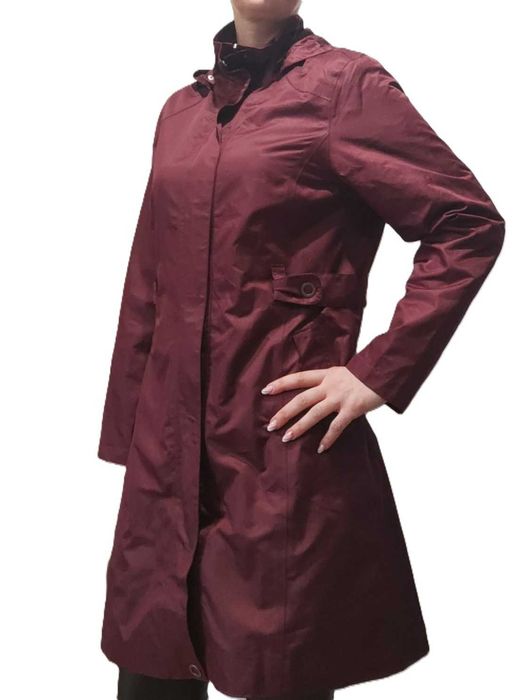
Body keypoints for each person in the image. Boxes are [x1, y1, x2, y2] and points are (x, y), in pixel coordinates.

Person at [97, 2, 505, 699]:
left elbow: (465, 224)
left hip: (275, 441)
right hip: (169, 451)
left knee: (278, 668)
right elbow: (148, 279)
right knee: (153, 663)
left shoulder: (345, 87)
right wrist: (131, 433)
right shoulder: (180, 112)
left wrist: (378, 372)